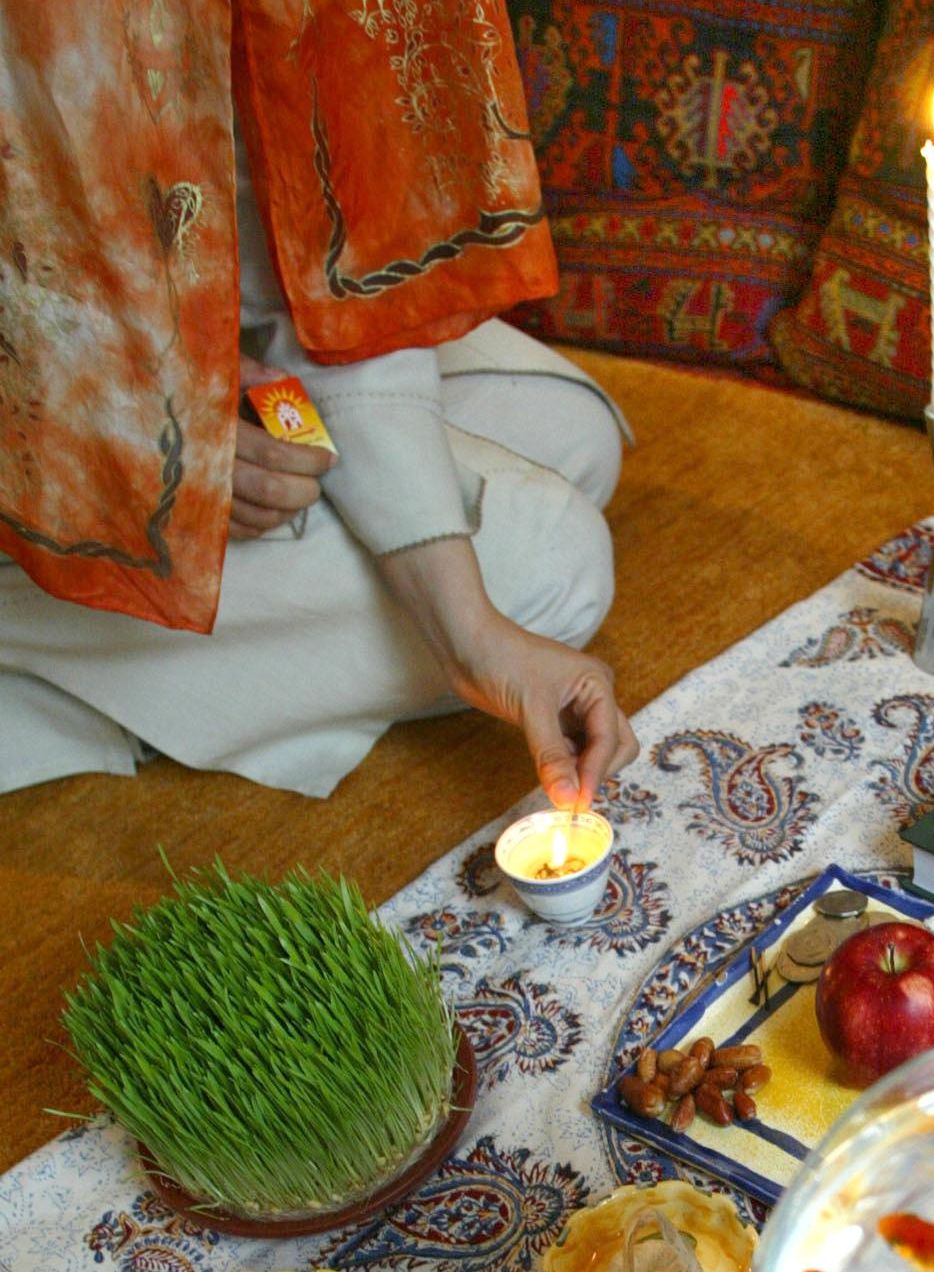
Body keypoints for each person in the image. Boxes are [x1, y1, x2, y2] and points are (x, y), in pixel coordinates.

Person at [0, 0, 638, 806]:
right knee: (553, 559)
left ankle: (178, 659)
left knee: (567, 431)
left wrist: (468, 632)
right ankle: (54, 682)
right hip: (34, 407)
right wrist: (120, 418)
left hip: (161, 324)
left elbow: (313, 256)